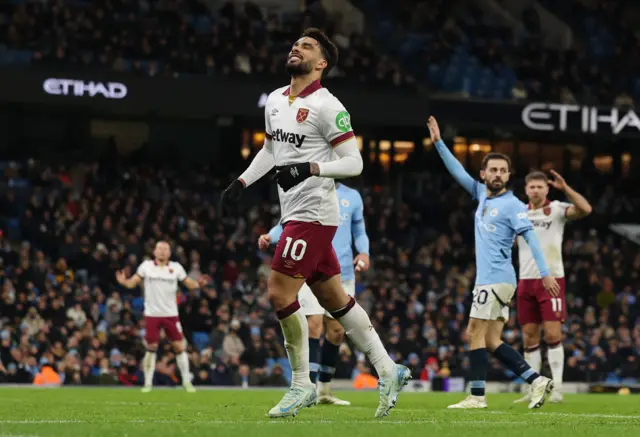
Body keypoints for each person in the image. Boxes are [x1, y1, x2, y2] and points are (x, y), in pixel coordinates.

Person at [219, 28, 409, 419]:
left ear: (321, 64)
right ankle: (390, 369)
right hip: (294, 212)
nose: (296, 48)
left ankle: (302, 384)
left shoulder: (328, 106)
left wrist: (310, 167)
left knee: (278, 292)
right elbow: (271, 150)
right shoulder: (274, 100)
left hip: (314, 214)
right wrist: (241, 182)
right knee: (334, 299)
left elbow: (354, 162)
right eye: (295, 44)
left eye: (306, 46)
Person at [427, 116, 558, 409]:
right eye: (493, 170)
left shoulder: (513, 205)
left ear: (509, 176)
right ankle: (536, 380)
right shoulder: (481, 195)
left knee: (474, 331)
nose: (497, 174)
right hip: (493, 279)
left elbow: (532, 240)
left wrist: (545, 274)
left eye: (503, 170)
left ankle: (477, 396)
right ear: (484, 173)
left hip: (496, 278)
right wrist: (438, 143)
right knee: (490, 340)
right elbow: (457, 172)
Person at [259, 181, 369, 405]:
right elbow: (289, 222)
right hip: (311, 267)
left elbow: (359, 231)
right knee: (314, 325)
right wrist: (271, 235)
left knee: (337, 331)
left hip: (344, 271)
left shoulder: (353, 196)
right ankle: (306, 388)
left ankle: (324, 391)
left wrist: (364, 253)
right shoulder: (308, 188)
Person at [514, 170, 591, 404]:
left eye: (540, 186)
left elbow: (586, 209)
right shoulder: (518, 212)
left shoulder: (557, 209)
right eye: (532, 187)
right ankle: (533, 387)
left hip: (553, 280)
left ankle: (556, 388)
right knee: (529, 338)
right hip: (525, 280)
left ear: (547, 189)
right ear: (526, 190)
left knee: (553, 334)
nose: (536, 190)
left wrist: (565, 187)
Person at [116, 241, 208, 393]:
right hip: (152, 314)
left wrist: (199, 284)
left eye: (165, 249)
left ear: (170, 253)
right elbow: (133, 282)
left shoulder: (176, 267)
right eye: (160, 249)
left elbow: (188, 282)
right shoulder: (146, 266)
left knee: (179, 347)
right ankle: (148, 383)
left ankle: (186, 382)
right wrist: (124, 282)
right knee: (151, 347)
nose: (162, 252)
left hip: (171, 314)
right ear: (154, 251)